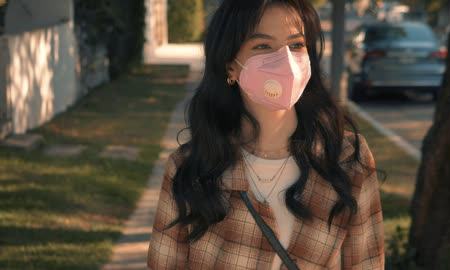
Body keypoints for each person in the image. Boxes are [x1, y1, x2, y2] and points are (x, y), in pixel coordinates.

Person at [147, 0, 384, 269]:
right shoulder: (189, 168)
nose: (285, 61)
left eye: (296, 45)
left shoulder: (346, 159)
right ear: (230, 66)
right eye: (263, 46)